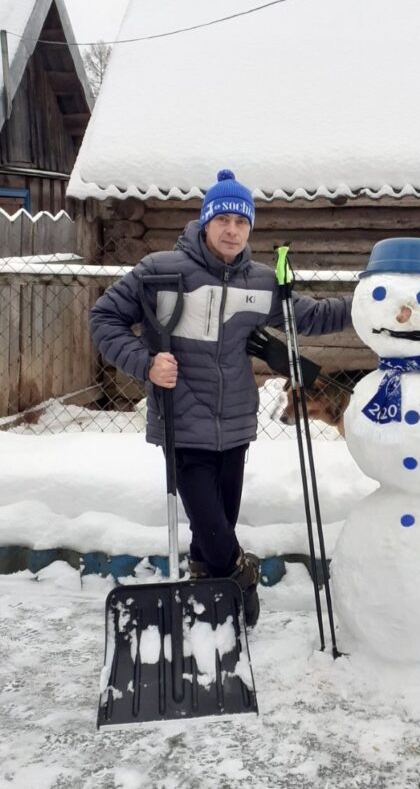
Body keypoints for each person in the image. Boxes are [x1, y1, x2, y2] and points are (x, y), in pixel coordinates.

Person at [90, 169, 352, 626]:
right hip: (182, 418)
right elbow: (104, 318)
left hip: (235, 422)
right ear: (205, 222)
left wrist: (368, 303)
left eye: (242, 222)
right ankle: (239, 576)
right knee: (211, 523)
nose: (232, 230)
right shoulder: (161, 270)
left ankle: (205, 587)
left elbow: (308, 316)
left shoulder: (261, 281)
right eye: (223, 219)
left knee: (220, 520)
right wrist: (145, 363)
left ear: (250, 229)